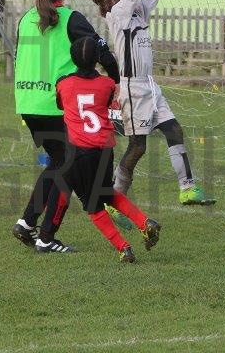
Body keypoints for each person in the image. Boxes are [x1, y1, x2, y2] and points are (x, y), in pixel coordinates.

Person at [89, 0, 216, 206]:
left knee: (174, 130)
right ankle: (115, 200)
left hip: (150, 85)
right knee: (138, 146)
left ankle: (187, 188)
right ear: (114, 0)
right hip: (133, 89)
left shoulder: (137, 12)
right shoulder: (117, 15)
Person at [11, 0, 120, 253]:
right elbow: (102, 53)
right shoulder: (71, 18)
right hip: (56, 105)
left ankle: (27, 222)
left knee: (59, 162)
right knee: (67, 169)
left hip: (28, 103)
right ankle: (46, 237)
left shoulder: (25, 19)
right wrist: (117, 80)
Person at [53, 36, 160, 262]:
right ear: (97, 60)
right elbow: (107, 101)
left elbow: (61, 104)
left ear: (72, 58)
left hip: (79, 151)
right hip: (104, 149)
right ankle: (144, 222)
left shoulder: (63, 84)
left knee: (92, 206)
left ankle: (124, 248)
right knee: (105, 193)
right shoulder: (107, 84)